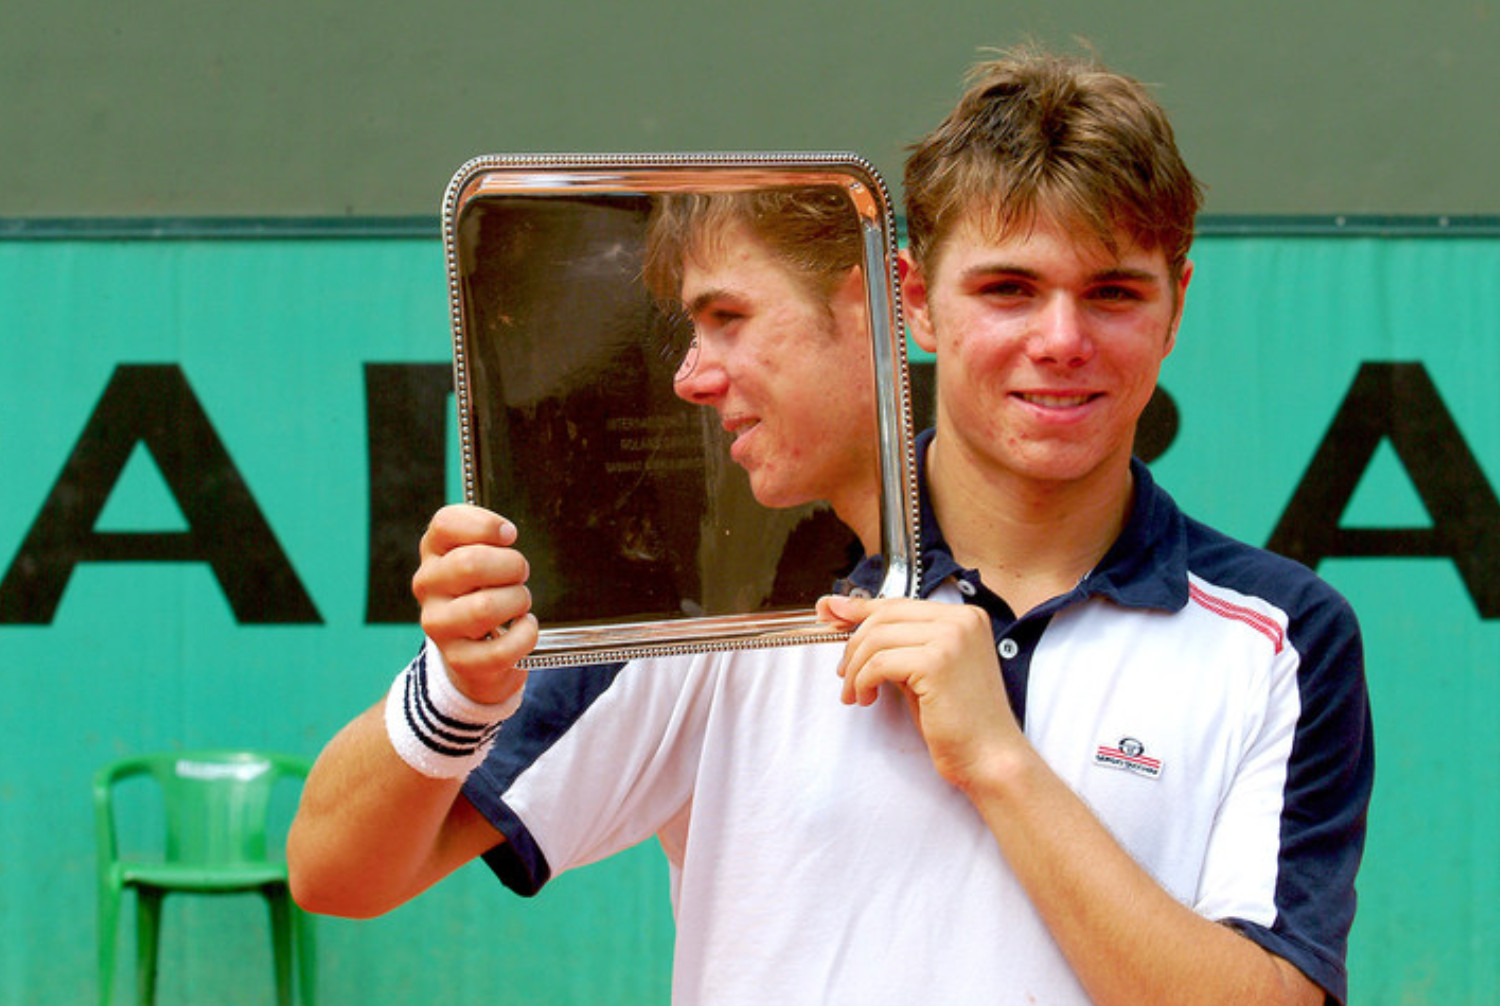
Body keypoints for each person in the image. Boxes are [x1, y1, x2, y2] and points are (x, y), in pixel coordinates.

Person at [288, 45, 1372, 1006]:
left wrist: (998, 761)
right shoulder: (725, 601)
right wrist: (456, 693)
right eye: (1006, 288)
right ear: (914, 301)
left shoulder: (1280, 639)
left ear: (1176, 303)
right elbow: (335, 872)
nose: (1060, 339)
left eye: (1113, 294)